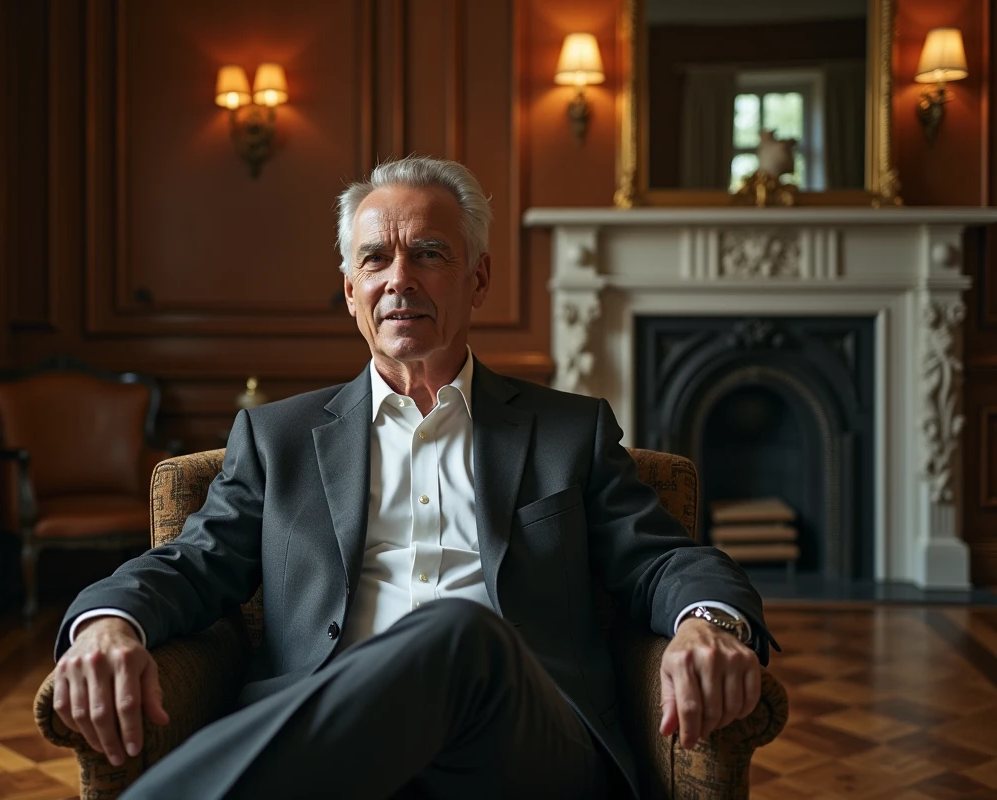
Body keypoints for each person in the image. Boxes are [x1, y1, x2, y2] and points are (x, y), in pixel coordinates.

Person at [51, 156, 775, 799]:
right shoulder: (279, 441)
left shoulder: (567, 433)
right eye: (375, 260)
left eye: (428, 253)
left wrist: (707, 623)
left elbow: (664, 559)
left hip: (524, 743)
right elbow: (193, 563)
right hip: (328, 744)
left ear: (478, 278)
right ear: (350, 291)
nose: (399, 279)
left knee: (460, 633)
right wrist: (109, 621)